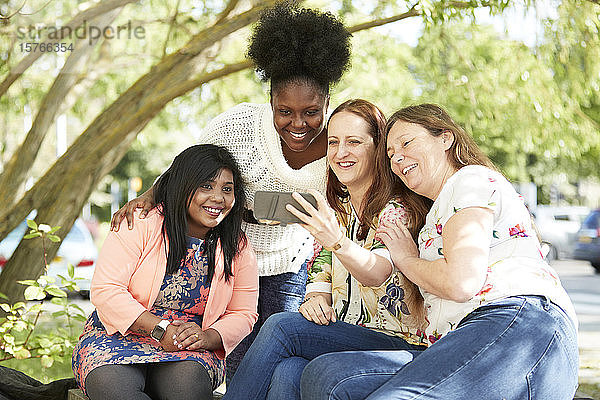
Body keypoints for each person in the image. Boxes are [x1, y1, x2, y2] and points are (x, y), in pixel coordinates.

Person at [109, 4, 352, 380]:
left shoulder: (341, 141)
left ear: (326, 101)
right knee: (236, 363)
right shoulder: (239, 126)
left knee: (274, 365)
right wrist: (148, 197)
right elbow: (186, 168)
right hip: (229, 259)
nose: (298, 123)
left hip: (290, 263)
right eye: (284, 111)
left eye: (311, 111)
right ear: (270, 99)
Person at [299, 104, 579, 399]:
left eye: (406, 143)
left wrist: (407, 260)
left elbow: (460, 282)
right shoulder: (433, 216)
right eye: (391, 154)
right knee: (328, 375)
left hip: (520, 324)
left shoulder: (470, 180)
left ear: (446, 138)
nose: (397, 159)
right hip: (464, 339)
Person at [223, 99, 431, 400]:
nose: (340, 152)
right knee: (289, 369)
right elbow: (323, 265)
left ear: (377, 147)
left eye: (354, 142)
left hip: (400, 343)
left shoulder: (395, 209)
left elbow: (377, 271)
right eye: (333, 142)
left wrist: (337, 241)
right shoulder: (341, 209)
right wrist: (316, 296)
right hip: (351, 333)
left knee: (282, 326)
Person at [72, 144, 258, 400]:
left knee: (187, 390)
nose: (218, 198)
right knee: (115, 390)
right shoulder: (140, 222)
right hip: (118, 335)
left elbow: (243, 313)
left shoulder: (237, 246)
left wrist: (207, 337)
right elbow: (107, 290)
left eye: (227, 189)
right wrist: (158, 329)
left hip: (188, 345)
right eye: (206, 186)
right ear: (182, 186)